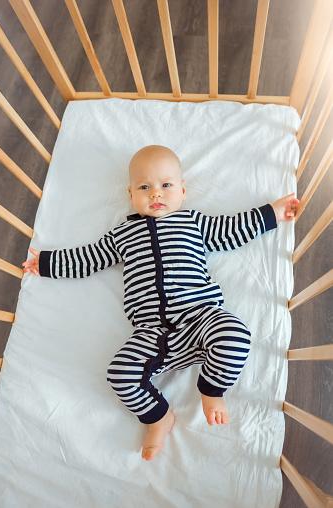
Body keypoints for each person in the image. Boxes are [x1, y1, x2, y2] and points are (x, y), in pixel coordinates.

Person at [22, 145, 299, 462]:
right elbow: (88, 258)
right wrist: (45, 264)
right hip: (152, 333)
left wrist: (272, 213)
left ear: (182, 191)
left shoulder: (192, 222)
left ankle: (211, 390)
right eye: (144, 187)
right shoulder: (122, 235)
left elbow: (232, 229)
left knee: (235, 334)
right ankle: (158, 418)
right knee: (120, 374)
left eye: (166, 185)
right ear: (131, 194)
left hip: (200, 318)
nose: (156, 193)